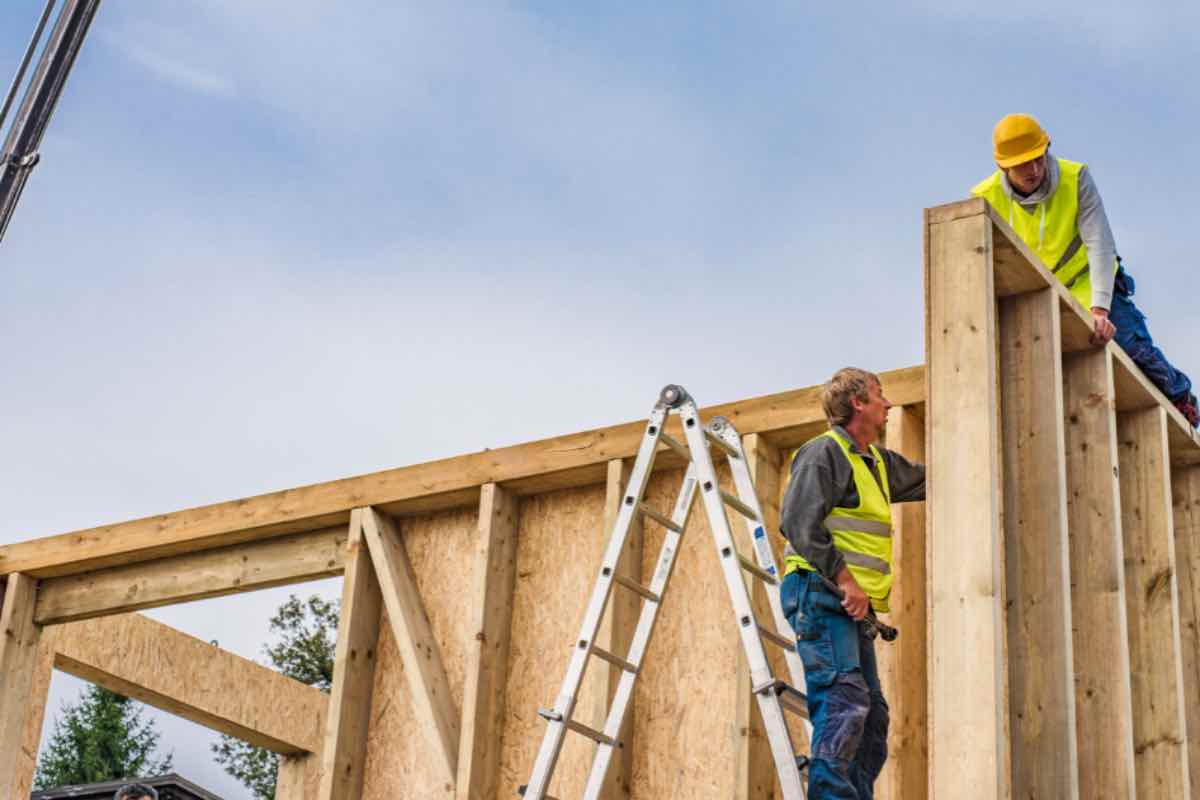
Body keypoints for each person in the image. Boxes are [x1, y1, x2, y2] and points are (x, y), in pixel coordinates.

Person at [972, 113, 1198, 426]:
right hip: (1037, 291)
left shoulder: (1074, 177)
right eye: (1023, 164)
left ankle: (1179, 395)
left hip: (1088, 278)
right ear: (1003, 166)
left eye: (1038, 158)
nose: (1034, 170)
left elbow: (1100, 245)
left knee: (1130, 346)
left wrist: (1101, 309)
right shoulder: (983, 199)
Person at [779, 367, 925, 799]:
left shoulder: (876, 463)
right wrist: (846, 581)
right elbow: (798, 523)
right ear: (858, 402)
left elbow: (928, 478)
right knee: (844, 702)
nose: (889, 404)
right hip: (821, 595)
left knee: (872, 717)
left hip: (850, 607)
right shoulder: (824, 453)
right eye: (880, 396)